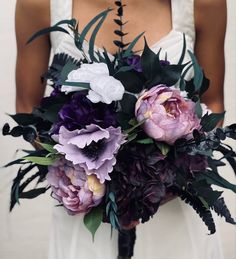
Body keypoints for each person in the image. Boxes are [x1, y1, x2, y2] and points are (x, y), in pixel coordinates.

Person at [15, 0, 227, 258]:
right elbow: (28, 106)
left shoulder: (205, 3)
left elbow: (212, 101)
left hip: (175, 215)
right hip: (86, 219)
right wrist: (76, 176)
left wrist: (169, 179)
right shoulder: (37, 4)